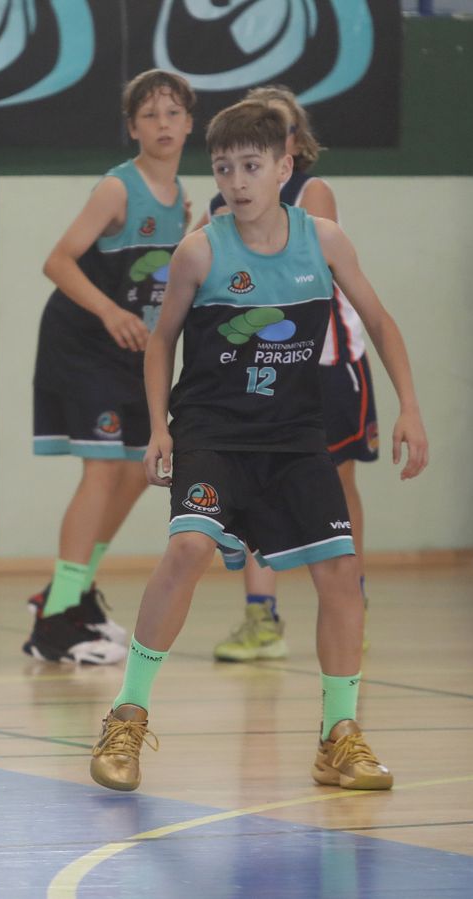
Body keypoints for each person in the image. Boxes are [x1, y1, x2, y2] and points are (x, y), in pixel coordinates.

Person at [87, 100, 429, 793]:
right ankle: (126, 715)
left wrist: (410, 409)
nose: (238, 182)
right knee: (188, 547)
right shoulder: (200, 250)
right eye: (224, 169)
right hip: (212, 431)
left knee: (341, 572)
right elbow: (161, 342)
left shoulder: (324, 241)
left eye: (251, 166)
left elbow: (380, 320)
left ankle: (338, 735)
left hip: (294, 437)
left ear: (283, 165)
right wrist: (159, 427)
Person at [196, 86, 379, 663]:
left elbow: (302, 264)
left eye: (270, 131)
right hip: (259, 369)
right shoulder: (221, 204)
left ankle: (351, 602)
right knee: (254, 487)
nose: (243, 171)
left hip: (327, 363)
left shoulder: (311, 194)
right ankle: (261, 615)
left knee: (339, 485)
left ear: (289, 147)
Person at [25, 70, 195, 665]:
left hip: (130, 350)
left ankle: (68, 593)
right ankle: (54, 623)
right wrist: (108, 312)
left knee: (135, 473)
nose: (163, 124)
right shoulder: (118, 190)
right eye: (150, 115)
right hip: (84, 343)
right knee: (100, 471)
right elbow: (57, 261)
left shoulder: (183, 201)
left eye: (173, 113)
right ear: (132, 128)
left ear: (189, 124)